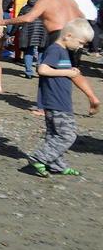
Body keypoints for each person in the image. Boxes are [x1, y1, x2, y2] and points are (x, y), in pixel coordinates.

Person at [27, 19, 99, 177]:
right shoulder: (56, 50)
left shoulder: (63, 51)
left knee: (53, 135)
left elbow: (57, 69)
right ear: (68, 36)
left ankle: (56, 165)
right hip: (56, 102)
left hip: (56, 101)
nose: (81, 47)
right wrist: (67, 72)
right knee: (67, 135)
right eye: (80, 43)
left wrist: (69, 69)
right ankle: (39, 157)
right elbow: (43, 69)